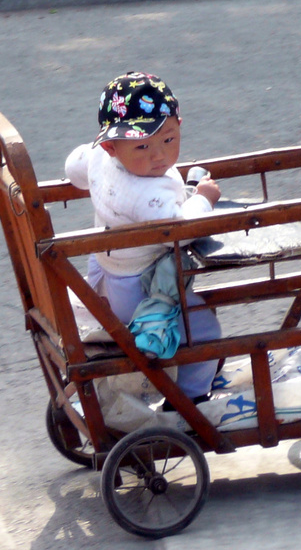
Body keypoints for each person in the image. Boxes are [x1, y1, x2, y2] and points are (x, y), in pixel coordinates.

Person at [64, 72, 224, 401]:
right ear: (111, 146)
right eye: (142, 146)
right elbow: (177, 232)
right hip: (139, 287)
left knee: (196, 317)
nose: (159, 156)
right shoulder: (147, 194)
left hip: (104, 271)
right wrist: (203, 199)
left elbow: (72, 168)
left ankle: (191, 380)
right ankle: (191, 400)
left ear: (179, 125)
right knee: (205, 331)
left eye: (169, 139)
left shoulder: (97, 157)